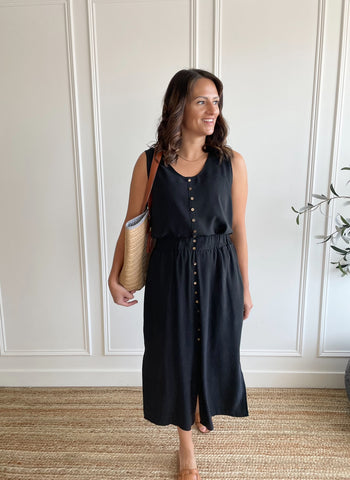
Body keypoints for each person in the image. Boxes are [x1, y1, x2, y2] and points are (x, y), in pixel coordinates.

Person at [108, 68, 253, 480]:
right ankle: (185, 447)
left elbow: (239, 229)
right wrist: (114, 275)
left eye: (217, 101)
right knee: (173, 355)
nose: (212, 110)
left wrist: (244, 288)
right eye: (201, 101)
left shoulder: (232, 163)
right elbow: (133, 220)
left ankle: (202, 407)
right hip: (168, 273)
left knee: (214, 349)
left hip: (219, 271)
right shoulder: (151, 161)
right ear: (179, 106)